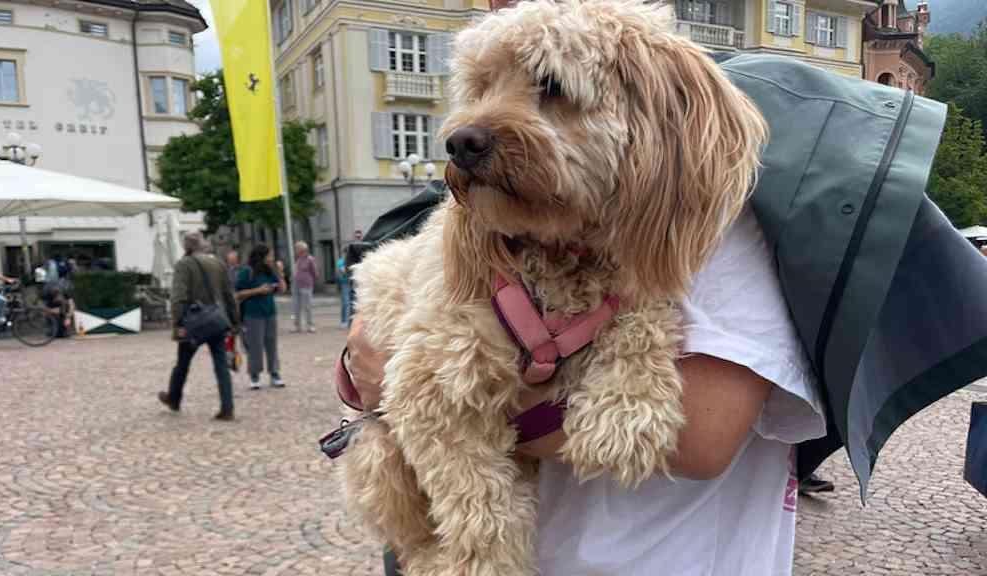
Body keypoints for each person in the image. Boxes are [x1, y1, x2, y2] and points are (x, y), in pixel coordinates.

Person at [343, 201, 825, 576]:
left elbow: (701, 439)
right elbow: (412, 378)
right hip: (528, 537)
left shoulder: (730, 229)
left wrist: (440, 400)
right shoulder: (503, 225)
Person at [158, 232, 240, 421]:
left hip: (194, 322)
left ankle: (174, 398)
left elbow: (179, 296)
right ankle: (227, 407)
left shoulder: (184, 264)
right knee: (221, 364)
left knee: (182, 363)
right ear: (202, 245)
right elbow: (229, 295)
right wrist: (234, 321)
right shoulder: (217, 263)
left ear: (186, 246)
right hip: (217, 320)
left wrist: (177, 322)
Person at [236, 245, 287, 390]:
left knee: (272, 344)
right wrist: (257, 290)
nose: (272, 258)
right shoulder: (247, 272)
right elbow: (237, 294)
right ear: (261, 257)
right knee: (255, 346)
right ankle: (254, 375)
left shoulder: (270, 271)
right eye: (269, 256)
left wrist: (280, 273)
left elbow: (282, 289)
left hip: (270, 312)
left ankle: (274, 373)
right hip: (253, 314)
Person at [293, 241, 319, 333]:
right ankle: (297, 326)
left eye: (296, 248)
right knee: (296, 306)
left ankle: (310, 325)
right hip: (296, 284)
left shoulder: (310, 259)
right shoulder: (298, 259)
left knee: (307, 306)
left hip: (306, 285)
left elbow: (315, 273)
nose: (295, 250)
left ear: (301, 249)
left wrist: (311, 282)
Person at [336, 255, 350, 329]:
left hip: (351, 283)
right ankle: (344, 321)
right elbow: (343, 271)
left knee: (350, 303)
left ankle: (348, 321)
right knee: (345, 303)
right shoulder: (341, 262)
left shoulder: (351, 260)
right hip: (345, 283)